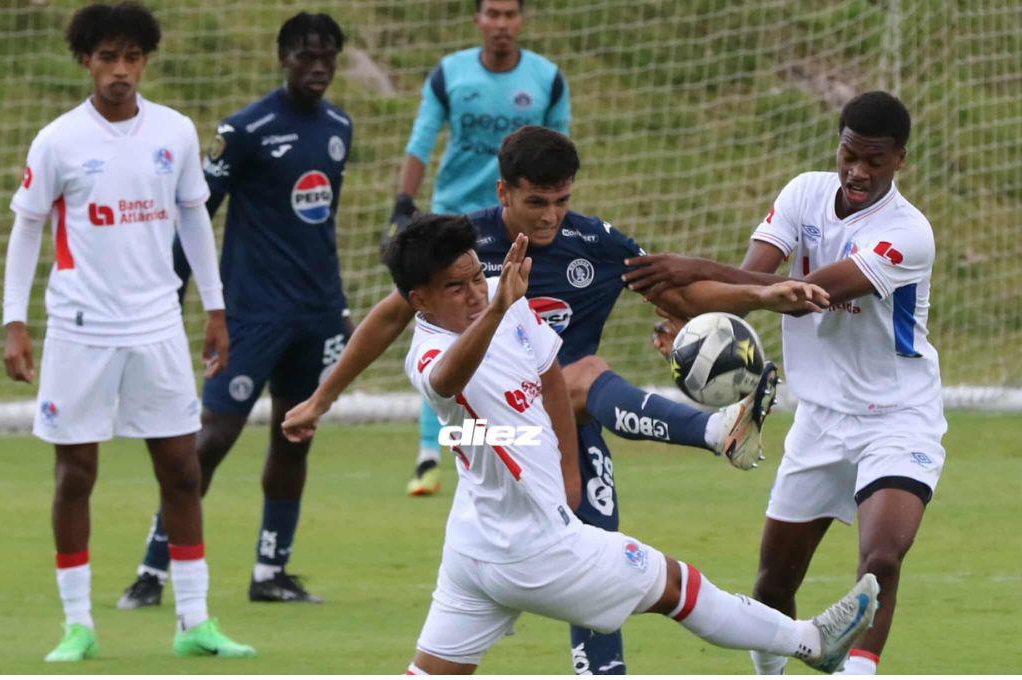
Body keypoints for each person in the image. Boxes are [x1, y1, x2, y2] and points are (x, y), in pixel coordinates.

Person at [283, 126, 830, 674]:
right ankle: (718, 440)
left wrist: (760, 295)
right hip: (516, 460)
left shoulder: (583, 249)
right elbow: (408, 337)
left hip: (557, 444)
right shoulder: (463, 257)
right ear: (504, 194)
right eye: (536, 202)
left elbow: (669, 299)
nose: (550, 216)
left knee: (595, 569)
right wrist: (322, 398)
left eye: (562, 201)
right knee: (650, 575)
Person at [381, 215, 878, 674]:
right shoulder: (431, 351)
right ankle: (811, 640)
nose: (473, 293)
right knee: (676, 586)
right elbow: (447, 381)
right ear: (420, 300)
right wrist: (496, 310)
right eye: (455, 287)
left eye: (475, 278)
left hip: (476, 539)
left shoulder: (499, 295)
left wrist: (569, 474)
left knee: (431, 673)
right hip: (529, 547)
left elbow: (550, 372)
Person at [623, 91, 943, 676]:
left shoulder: (908, 234)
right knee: (773, 582)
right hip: (819, 420)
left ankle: (859, 669)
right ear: (838, 142)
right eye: (850, 154)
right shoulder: (804, 194)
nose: (858, 171)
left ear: (900, 159)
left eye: (874, 160)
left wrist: (692, 268)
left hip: (898, 417)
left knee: (881, 559)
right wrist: (693, 322)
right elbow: (753, 285)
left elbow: (803, 299)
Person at [1, 2, 254, 661]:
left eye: (132, 58)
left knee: (180, 466)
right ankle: (78, 625)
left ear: (146, 62)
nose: (120, 70)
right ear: (85, 60)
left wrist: (217, 309)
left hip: (158, 327)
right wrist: (15, 323)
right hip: (80, 329)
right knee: (75, 472)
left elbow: (196, 219)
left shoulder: (173, 131)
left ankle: (194, 621)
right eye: (108, 57)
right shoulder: (58, 141)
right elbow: (28, 228)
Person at [116, 12, 353, 608]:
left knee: (294, 436)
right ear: (282, 57)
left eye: (327, 55)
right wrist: (170, 296)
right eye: (305, 55)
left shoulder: (339, 128)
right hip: (252, 315)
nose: (317, 66)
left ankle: (270, 572)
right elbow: (198, 215)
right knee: (212, 438)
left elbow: (321, 227)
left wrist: (340, 307)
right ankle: (152, 571)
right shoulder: (245, 131)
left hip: (317, 314)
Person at [389, 0, 571, 498]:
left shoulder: (547, 79)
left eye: (510, 14)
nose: (501, 24)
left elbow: (557, 154)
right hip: (453, 225)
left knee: (523, 331)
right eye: (492, 13)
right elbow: (421, 139)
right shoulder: (450, 74)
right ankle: (431, 452)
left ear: (522, 20)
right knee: (436, 329)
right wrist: (404, 205)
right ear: (478, 20)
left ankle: (530, 444)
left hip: (513, 226)